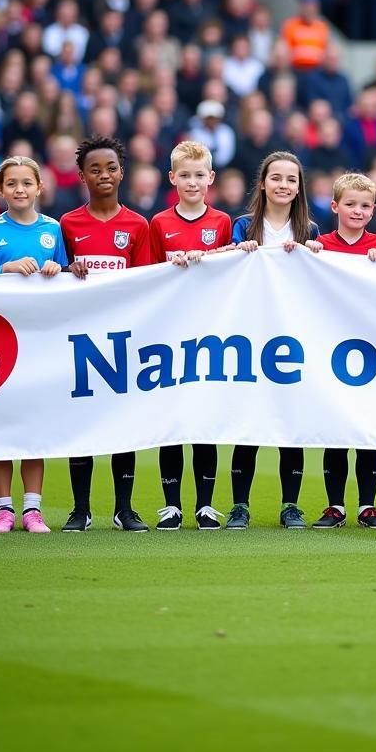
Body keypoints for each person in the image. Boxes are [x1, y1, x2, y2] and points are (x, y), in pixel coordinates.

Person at [0, 156, 78, 535]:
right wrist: (6, 268)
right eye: (12, 183)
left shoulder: (52, 228)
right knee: (2, 428)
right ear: (1, 189)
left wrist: (56, 270)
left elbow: (66, 273)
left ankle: (32, 510)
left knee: (34, 428)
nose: (19, 190)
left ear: (40, 188)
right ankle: (4, 510)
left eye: (26, 183)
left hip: (39, 340)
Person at [60, 136, 152, 534]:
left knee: (122, 424)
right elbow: (53, 281)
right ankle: (80, 510)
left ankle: (124, 509)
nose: (103, 175)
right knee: (81, 425)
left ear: (122, 172)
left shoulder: (137, 225)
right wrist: (66, 271)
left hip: (123, 340)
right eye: (94, 169)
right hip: (80, 339)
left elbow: (149, 283)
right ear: (81, 175)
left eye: (111, 168)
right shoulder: (67, 223)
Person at [226, 151, 319, 530]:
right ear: (262, 183)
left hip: (292, 341)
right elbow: (225, 273)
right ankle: (239, 506)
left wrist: (315, 254)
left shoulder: (310, 231)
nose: (283, 185)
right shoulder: (244, 226)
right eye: (276, 178)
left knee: (289, 422)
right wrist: (236, 252)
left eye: (291, 180)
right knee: (248, 421)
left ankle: (291, 505)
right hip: (249, 338)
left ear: (299, 188)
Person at [148, 142, 232, 532]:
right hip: (170, 334)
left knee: (205, 419)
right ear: (172, 179)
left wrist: (212, 257)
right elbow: (147, 278)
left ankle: (204, 505)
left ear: (211, 178)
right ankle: (170, 506)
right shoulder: (159, 223)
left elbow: (231, 273)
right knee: (173, 419)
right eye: (185, 175)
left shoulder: (223, 222)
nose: (193, 182)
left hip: (211, 334)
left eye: (200, 175)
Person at [304, 173, 376, 529]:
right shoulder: (320, 245)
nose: (358, 211)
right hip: (330, 349)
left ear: (373, 210)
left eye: (365, 205)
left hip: (370, 350)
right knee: (336, 428)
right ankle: (335, 507)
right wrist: (308, 256)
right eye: (351, 204)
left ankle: (367, 506)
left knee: (366, 430)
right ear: (335, 205)